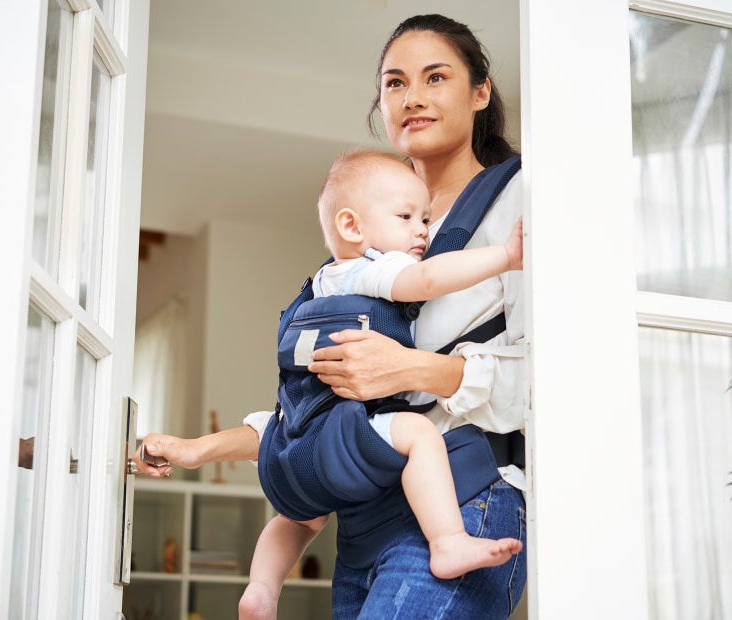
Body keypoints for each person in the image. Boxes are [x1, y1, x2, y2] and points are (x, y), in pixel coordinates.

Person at [135, 13, 527, 619]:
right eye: (395, 83)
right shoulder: (358, 254)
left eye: (435, 77)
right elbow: (307, 414)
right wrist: (197, 451)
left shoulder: (523, 206)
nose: (412, 97)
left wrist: (410, 369)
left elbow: (544, 385)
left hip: (467, 494)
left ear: (480, 93)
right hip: (364, 515)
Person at [234, 147, 523, 619]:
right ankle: (448, 539)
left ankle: (262, 588)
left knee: (298, 518)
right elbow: (428, 279)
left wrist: (196, 449)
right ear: (353, 227)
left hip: (301, 440)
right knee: (420, 434)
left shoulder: (318, 288)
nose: (421, 231)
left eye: (425, 218)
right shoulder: (373, 268)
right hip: (354, 433)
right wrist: (505, 256)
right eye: (407, 216)